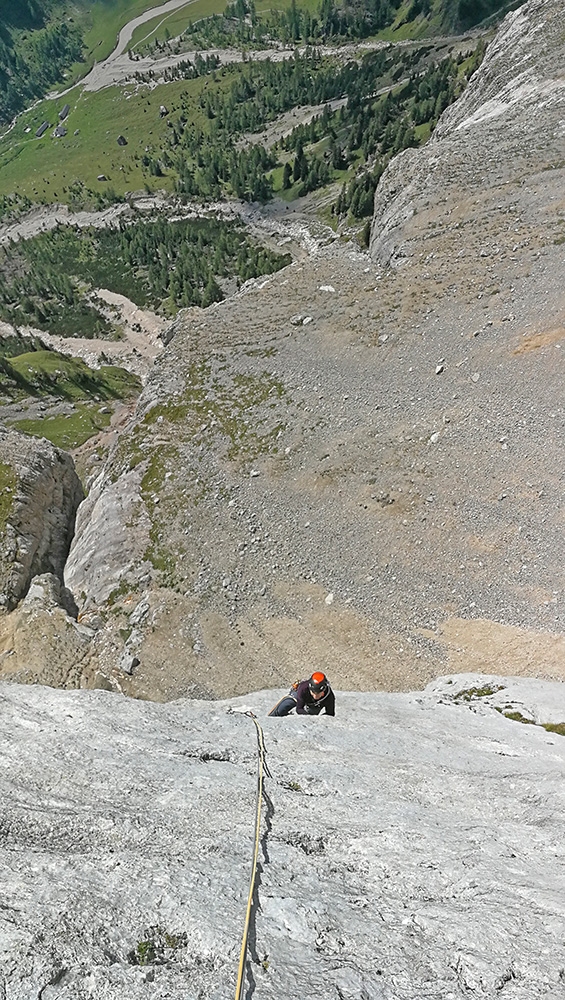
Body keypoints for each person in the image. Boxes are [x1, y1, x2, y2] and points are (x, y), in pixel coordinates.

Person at [268, 672, 335, 717]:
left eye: (318, 694)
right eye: (313, 693)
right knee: (285, 705)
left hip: (315, 705)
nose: (315, 696)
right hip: (299, 696)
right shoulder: (303, 688)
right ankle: (273, 715)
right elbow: (299, 709)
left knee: (313, 712)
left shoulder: (329, 696)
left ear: (323, 692)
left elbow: (330, 713)